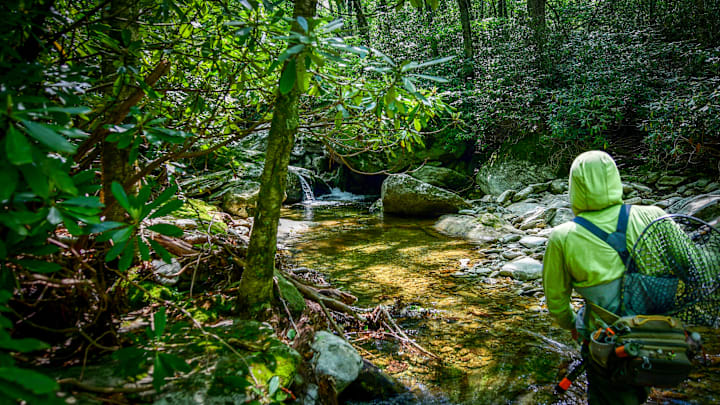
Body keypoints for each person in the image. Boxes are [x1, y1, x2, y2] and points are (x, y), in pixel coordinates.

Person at [542, 150, 667, 404]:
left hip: (606, 347)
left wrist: (573, 327)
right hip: (659, 340)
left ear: (574, 186)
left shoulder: (563, 237)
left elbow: (556, 303)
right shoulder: (653, 215)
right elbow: (691, 267)